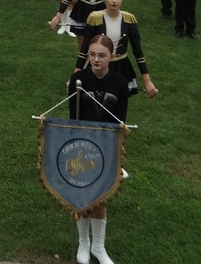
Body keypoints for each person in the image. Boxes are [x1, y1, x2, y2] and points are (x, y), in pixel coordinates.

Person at [67, 34, 128, 264]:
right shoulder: (78, 80)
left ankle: (98, 247)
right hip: (81, 146)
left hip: (106, 147)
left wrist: (115, 156)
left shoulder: (120, 84)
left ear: (111, 56)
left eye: (101, 55)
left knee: (100, 198)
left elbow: (120, 123)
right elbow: (73, 119)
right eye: (92, 55)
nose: (95, 60)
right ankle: (83, 242)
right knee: (83, 195)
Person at [76, 0, 159, 99]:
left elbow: (138, 51)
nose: (114, 1)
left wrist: (147, 81)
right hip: (98, 67)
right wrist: (75, 76)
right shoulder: (94, 18)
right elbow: (84, 50)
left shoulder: (129, 19)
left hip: (122, 68)